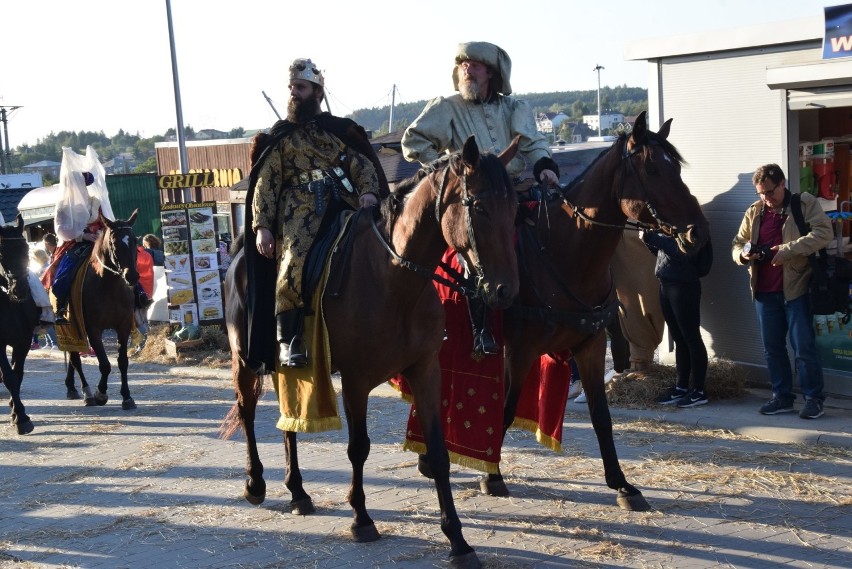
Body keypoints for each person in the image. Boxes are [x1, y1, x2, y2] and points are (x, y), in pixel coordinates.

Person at [401, 41, 559, 355]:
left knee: (555, 233)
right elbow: (413, 141)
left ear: (491, 72)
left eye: (474, 65)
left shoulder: (514, 108)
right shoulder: (447, 106)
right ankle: (481, 330)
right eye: (463, 64)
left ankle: (558, 320)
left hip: (510, 188)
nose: (467, 70)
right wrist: (448, 172)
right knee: (476, 245)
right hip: (468, 194)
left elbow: (533, 142)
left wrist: (545, 166)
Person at [246, 57, 389, 371]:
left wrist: (368, 190)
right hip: (298, 213)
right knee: (293, 260)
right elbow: (266, 183)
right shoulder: (280, 137)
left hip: (343, 202)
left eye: (301, 87)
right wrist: (262, 226)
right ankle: (290, 340)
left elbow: (360, 162)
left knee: (381, 246)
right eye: (292, 87)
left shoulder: (337, 131)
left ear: (317, 93)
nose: (294, 93)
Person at [732, 164, 831, 419]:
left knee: (803, 347)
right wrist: (744, 255)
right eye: (761, 193)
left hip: (795, 288)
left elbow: (823, 233)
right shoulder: (755, 211)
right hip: (764, 291)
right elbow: (738, 243)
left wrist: (787, 250)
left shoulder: (803, 202)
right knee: (773, 348)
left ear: (782, 183)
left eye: (769, 192)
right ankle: (782, 396)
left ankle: (813, 398)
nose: (766, 198)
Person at [642, 230, 712, 407]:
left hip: (684, 286)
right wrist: (649, 240)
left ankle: (698, 391)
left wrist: (654, 239)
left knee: (691, 338)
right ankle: (681, 387)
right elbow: (662, 253)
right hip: (666, 283)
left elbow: (684, 253)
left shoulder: (693, 225)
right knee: (679, 338)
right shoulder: (668, 224)